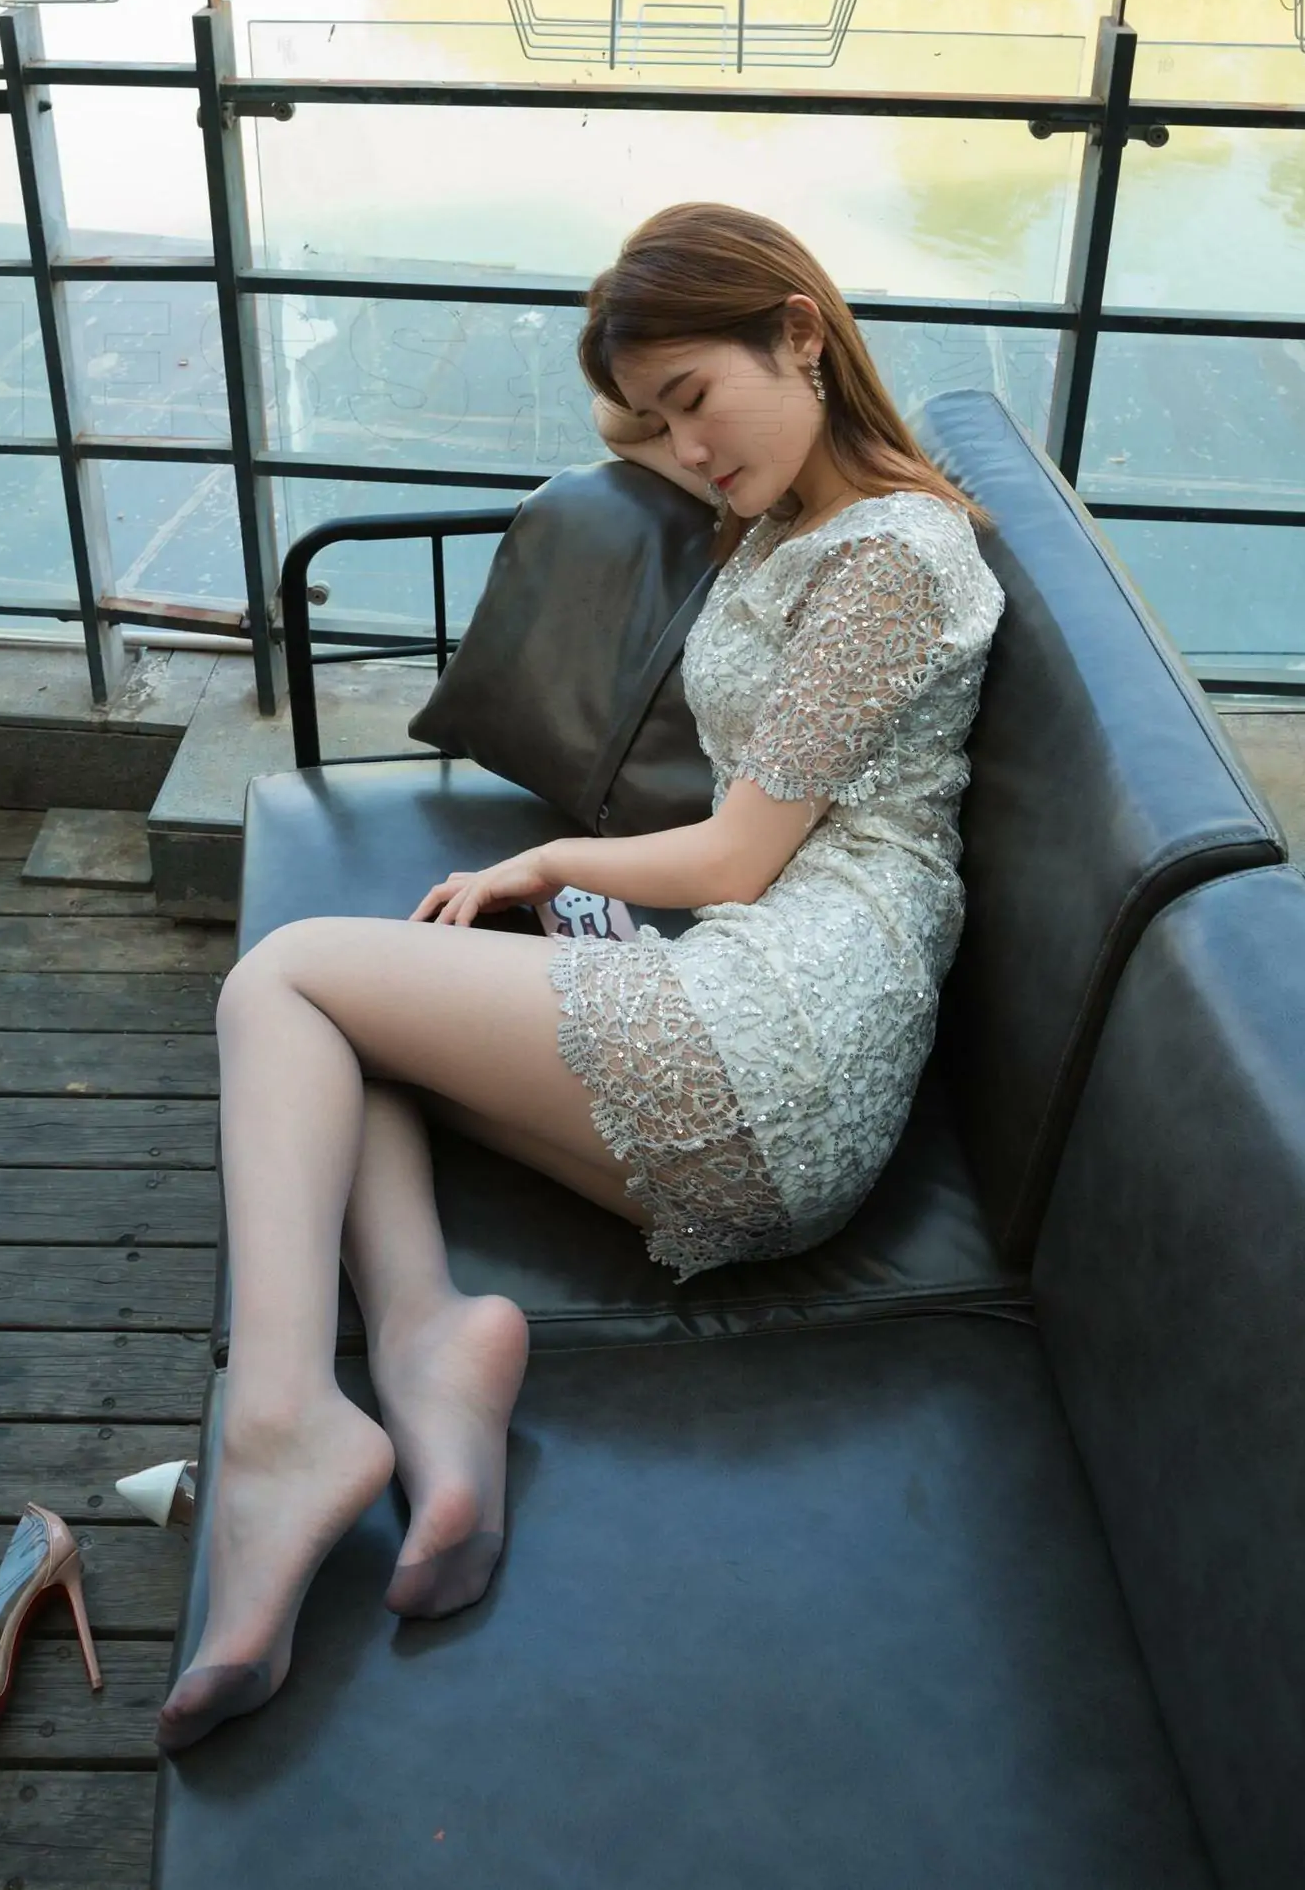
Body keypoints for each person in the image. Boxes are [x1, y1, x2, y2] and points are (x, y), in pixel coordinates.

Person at [154, 200, 1005, 1753]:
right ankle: (432, 1344)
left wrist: (553, 860)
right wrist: (649, 371)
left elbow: (738, 856)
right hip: (779, 1042)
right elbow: (651, 437)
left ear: (801, 334)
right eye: (658, 423)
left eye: (697, 400)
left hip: (787, 1036)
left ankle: (280, 1425)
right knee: (370, 1020)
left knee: (280, 984)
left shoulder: (893, 554)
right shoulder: (791, 513)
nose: (685, 450)